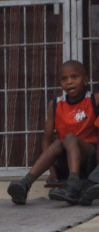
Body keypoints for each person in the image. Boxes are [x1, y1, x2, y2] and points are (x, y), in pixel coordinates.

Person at [7, 60, 99, 205]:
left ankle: (73, 184)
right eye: (64, 79)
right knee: (57, 143)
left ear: (85, 80)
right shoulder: (55, 104)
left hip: (89, 159)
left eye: (75, 77)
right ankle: (25, 183)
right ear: (59, 83)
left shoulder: (93, 100)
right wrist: (51, 169)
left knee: (69, 138)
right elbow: (46, 138)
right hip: (66, 161)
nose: (69, 82)